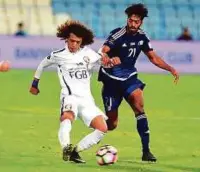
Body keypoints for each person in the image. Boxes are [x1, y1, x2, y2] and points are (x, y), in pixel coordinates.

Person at [29, 20, 120, 163]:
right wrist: (35, 83)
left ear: (82, 42)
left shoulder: (88, 54)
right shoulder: (58, 55)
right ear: (66, 39)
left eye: (78, 42)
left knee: (102, 128)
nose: (74, 45)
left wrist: (111, 61)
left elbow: (104, 62)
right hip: (69, 96)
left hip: (86, 100)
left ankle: (75, 151)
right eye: (72, 41)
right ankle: (66, 147)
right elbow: (42, 64)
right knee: (67, 117)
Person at [98, 3, 179, 162]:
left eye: (136, 22)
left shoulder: (142, 37)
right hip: (111, 81)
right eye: (131, 21)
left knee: (139, 105)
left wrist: (170, 68)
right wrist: (106, 58)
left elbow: (153, 58)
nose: (133, 24)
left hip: (129, 78)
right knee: (112, 124)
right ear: (127, 20)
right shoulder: (117, 34)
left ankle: (146, 151)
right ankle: (93, 125)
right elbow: (103, 50)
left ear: (141, 22)